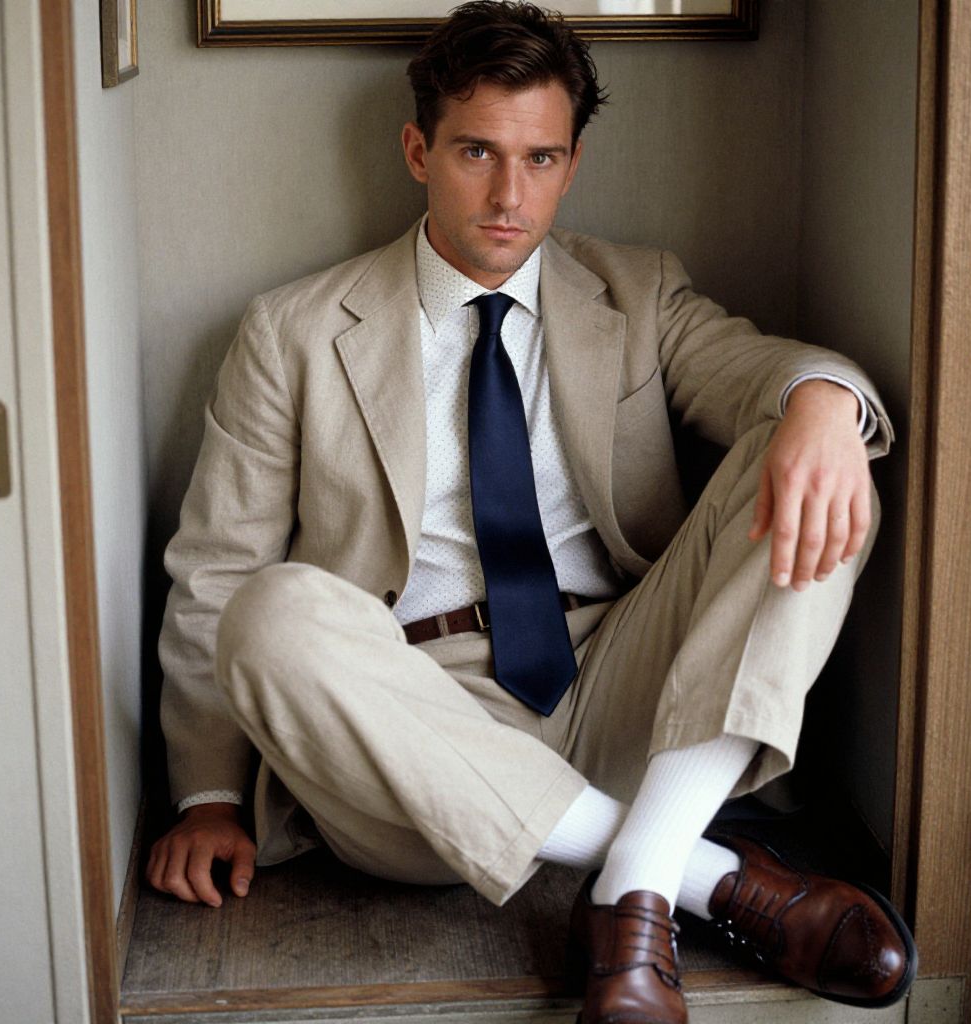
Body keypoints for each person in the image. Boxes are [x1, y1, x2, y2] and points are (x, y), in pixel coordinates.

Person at [147, 3, 916, 1021]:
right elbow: (214, 575)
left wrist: (818, 402)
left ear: (571, 163)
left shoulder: (636, 292)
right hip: (408, 739)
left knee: (815, 446)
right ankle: (692, 877)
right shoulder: (293, 330)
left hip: (620, 686)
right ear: (419, 150)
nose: (511, 194)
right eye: (477, 151)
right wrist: (205, 797)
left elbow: (760, 374)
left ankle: (640, 860)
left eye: (541, 157)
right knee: (270, 607)